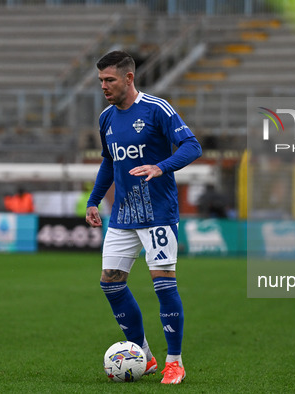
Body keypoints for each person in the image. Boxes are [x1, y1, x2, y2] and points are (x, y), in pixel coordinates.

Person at [85, 51, 202, 383]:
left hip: (158, 214)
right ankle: (143, 356)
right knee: (110, 281)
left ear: (129, 78)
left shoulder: (157, 109)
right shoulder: (106, 117)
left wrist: (160, 166)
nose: (104, 86)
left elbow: (192, 146)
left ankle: (174, 361)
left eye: (109, 80)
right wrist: (94, 200)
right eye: (101, 81)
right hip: (123, 215)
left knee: (163, 284)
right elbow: (109, 162)